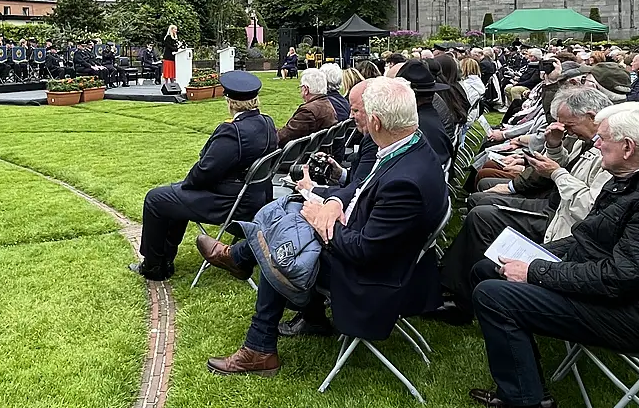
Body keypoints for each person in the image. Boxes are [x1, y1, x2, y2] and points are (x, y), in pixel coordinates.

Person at [199, 77, 448, 376]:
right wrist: (332, 205)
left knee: (280, 247)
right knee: (288, 226)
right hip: (386, 255)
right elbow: (360, 189)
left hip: (375, 281)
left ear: (377, 122)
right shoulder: (409, 146)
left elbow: (364, 251)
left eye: (362, 112)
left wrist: (321, 222)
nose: (357, 118)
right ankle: (254, 292)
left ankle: (259, 344)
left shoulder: (405, 180)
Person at [467, 102, 639, 408]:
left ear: (628, 147)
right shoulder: (635, 176)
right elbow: (591, 240)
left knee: (494, 295)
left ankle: (524, 400)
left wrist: (534, 271)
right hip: (614, 290)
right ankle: (522, 371)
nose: (595, 143)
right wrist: (536, 255)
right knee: (488, 266)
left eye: (603, 138)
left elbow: (618, 278)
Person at [432, 88, 611, 324]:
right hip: (557, 207)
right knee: (483, 209)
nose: (567, 131)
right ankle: (453, 283)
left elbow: (587, 204)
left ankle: (460, 299)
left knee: (483, 215)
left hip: (564, 222)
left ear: (591, 116)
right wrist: (555, 147)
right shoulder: (588, 141)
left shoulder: (608, 150)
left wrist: (555, 173)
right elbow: (565, 169)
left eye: (570, 126)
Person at [131, 71, 278, 281]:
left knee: (156, 198)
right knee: (172, 197)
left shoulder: (232, 132)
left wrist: (188, 184)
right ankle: (165, 259)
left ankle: (153, 266)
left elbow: (205, 170)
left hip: (231, 204)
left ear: (230, 101)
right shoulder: (267, 123)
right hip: (255, 198)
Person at [276, 68, 337, 146]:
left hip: (307, 155)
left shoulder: (308, 112)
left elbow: (283, 137)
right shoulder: (326, 103)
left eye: (301, 88)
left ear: (306, 89)